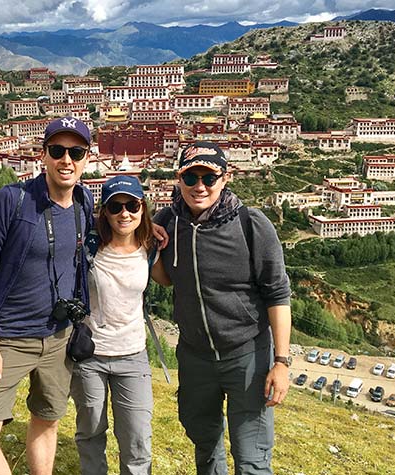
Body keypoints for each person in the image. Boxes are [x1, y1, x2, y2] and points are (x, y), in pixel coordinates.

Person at [0, 117, 95, 475]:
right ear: (43, 156)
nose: (66, 160)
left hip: (59, 338)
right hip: (7, 339)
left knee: (46, 419)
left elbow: (122, 228)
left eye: (76, 152)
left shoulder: (85, 203)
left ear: (87, 159)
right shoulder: (13, 200)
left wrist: (155, 227)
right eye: (57, 151)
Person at [152, 141, 292, 475]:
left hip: (245, 353)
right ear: (178, 179)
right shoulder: (167, 221)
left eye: (209, 177)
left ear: (225, 178)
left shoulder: (251, 225)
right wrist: (150, 247)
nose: (199, 186)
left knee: (251, 456)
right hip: (195, 354)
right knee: (204, 441)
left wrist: (282, 362)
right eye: (191, 178)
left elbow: (278, 294)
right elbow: (167, 280)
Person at [70, 175, 156, 475]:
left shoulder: (151, 247)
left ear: (142, 208)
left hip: (133, 354)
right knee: (91, 431)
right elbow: (74, 198)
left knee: (137, 437)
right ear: (104, 211)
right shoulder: (89, 246)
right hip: (90, 354)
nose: (125, 214)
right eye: (116, 207)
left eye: (132, 205)